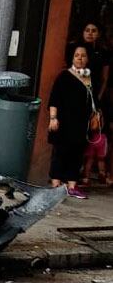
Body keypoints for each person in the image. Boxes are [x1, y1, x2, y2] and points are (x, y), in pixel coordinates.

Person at [49, 44, 95, 199]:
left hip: (81, 124)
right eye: (77, 55)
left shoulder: (89, 78)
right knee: (60, 153)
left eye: (83, 55)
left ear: (87, 59)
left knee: (76, 154)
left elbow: (93, 102)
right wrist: (53, 118)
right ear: (72, 58)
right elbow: (54, 99)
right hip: (63, 123)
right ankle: (56, 184)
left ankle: (72, 186)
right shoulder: (64, 76)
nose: (80, 58)